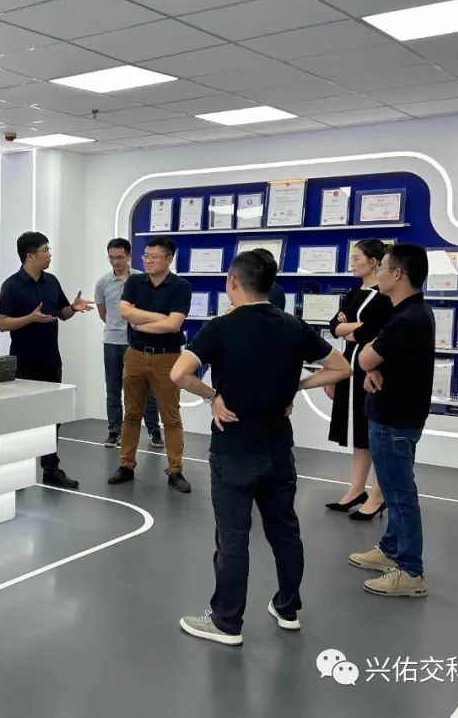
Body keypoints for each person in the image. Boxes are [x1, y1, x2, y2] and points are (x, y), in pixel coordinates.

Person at [171, 250, 351, 646]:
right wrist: (296, 387)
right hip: (278, 448)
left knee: (233, 537)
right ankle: (288, 608)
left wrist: (213, 396)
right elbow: (342, 367)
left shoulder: (221, 327)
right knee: (284, 530)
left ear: (233, 282)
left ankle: (226, 622)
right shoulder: (293, 326)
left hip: (234, 449)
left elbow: (179, 373)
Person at [349, 244, 434, 598]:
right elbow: (378, 359)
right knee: (394, 486)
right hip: (393, 414)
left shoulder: (407, 318)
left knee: (399, 495)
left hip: (395, 419)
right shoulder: (409, 313)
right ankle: (390, 549)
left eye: (383, 267)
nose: (378, 273)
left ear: (398, 274)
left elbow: (366, 357)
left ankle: (411, 571)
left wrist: (370, 362)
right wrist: (373, 366)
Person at [0, 231, 93, 489]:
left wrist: (73, 308)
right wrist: (30, 318)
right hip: (23, 363)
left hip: (51, 360)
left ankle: (51, 468)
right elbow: (3, 323)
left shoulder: (51, 281)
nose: (49, 254)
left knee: (53, 416)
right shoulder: (11, 285)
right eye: (45, 250)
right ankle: (17, 472)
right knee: (22, 419)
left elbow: (62, 313)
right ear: (30, 256)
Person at [109, 236, 193, 492]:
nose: (147, 260)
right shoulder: (135, 281)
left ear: (169, 259)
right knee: (132, 413)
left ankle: (175, 470)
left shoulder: (180, 287)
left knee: (170, 416)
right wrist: (159, 317)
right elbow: (125, 312)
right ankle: (126, 464)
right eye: (145, 255)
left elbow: (173, 325)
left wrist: (142, 323)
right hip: (135, 354)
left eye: (153, 257)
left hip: (167, 358)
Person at [326, 239, 393, 518]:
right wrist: (350, 328)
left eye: (357, 258)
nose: (351, 263)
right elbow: (334, 326)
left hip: (372, 368)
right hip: (350, 365)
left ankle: (378, 494)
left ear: (374, 261)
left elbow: (374, 330)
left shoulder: (385, 295)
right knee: (357, 431)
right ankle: (356, 488)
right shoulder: (355, 291)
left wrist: (350, 327)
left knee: (373, 430)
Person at [94, 237, 163, 449]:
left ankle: (153, 429)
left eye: (119, 257)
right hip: (112, 342)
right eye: (111, 258)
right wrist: (116, 326)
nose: (115, 262)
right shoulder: (103, 283)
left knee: (146, 389)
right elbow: (103, 313)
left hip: (138, 341)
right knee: (113, 389)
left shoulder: (143, 279)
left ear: (129, 256)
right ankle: (114, 431)